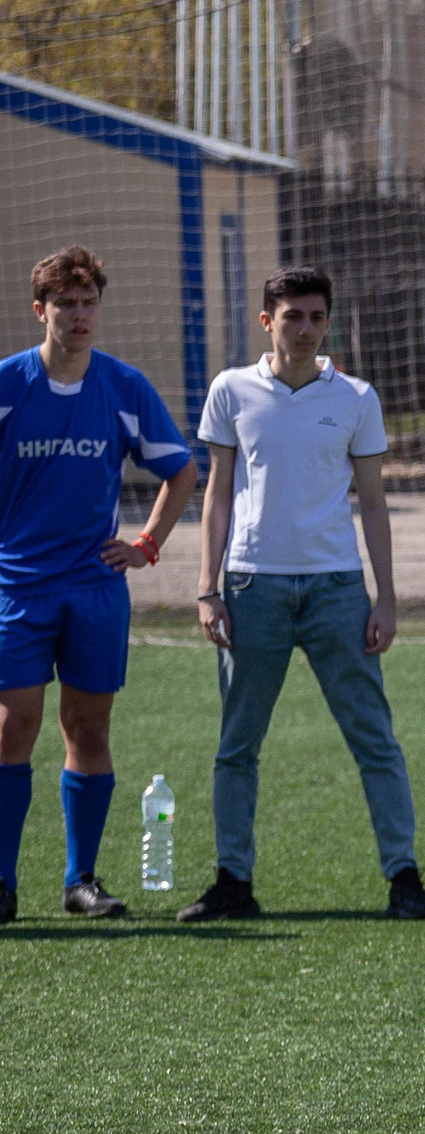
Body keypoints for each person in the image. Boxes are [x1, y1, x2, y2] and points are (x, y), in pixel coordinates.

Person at [180, 265, 425, 923]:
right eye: (291, 316)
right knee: (237, 743)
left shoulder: (355, 397)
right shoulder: (231, 390)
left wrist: (386, 597)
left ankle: (404, 879)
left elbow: (375, 504)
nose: (304, 328)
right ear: (266, 322)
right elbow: (215, 495)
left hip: (336, 591)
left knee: (373, 737)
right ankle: (232, 881)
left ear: (329, 322)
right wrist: (207, 589)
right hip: (250, 587)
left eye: (316, 317)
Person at [0, 246, 197, 923]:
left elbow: (181, 470)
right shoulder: (7, 385)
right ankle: (1, 882)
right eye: (66, 305)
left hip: (94, 589)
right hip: (17, 588)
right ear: (40, 311)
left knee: (87, 726)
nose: (80, 316)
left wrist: (146, 544)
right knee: (11, 727)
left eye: (89, 304)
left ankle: (80, 880)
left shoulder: (123, 386)